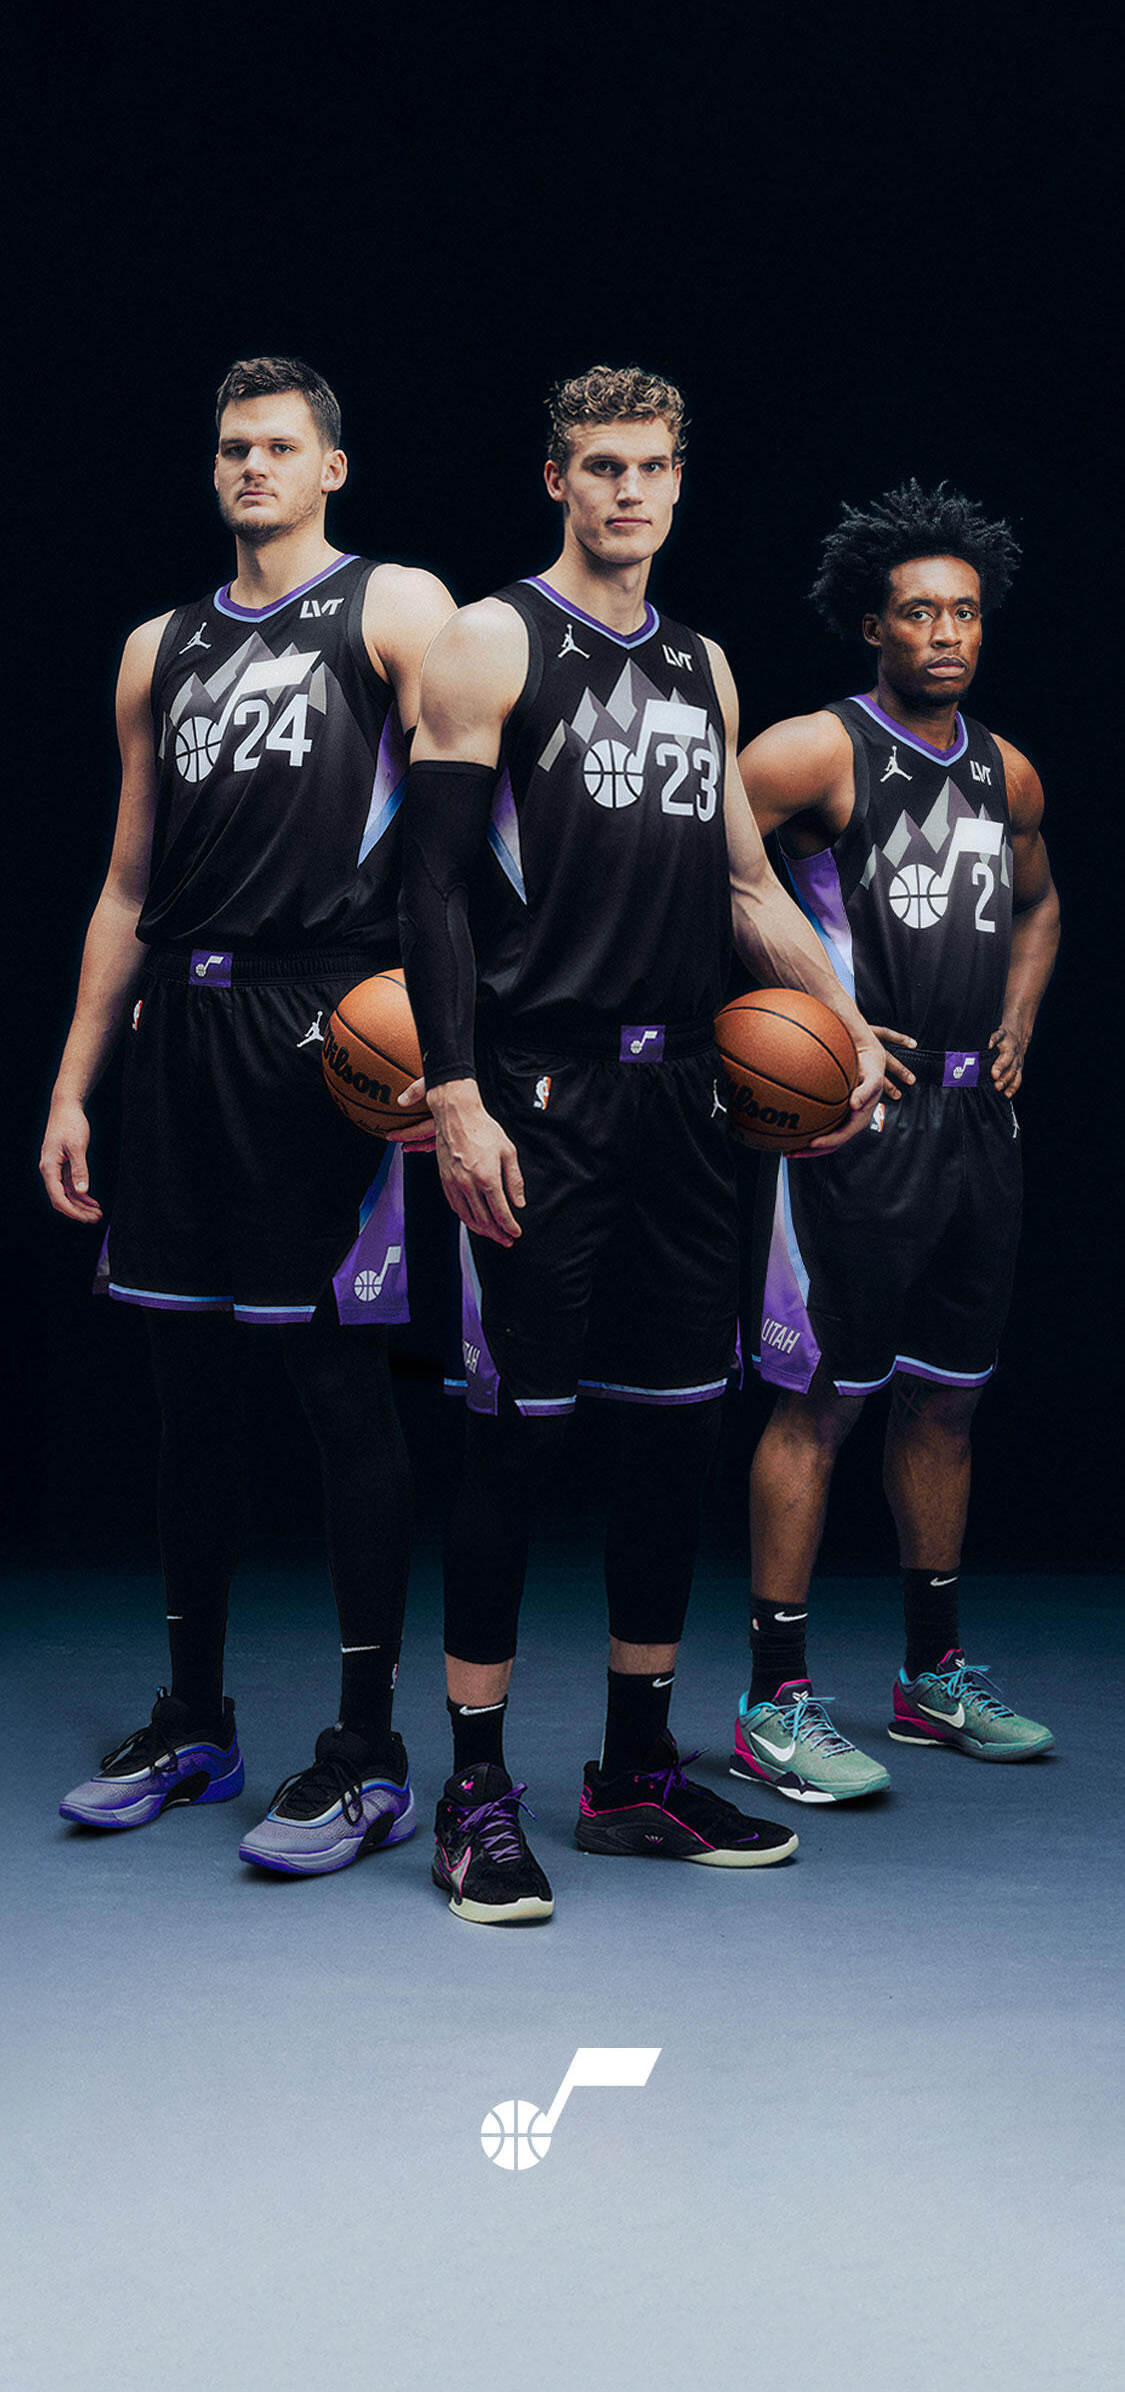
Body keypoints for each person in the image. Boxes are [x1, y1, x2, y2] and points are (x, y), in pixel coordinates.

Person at [399, 364, 883, 1921]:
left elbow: (744, 886)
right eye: (600, 466)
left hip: (686, 1099)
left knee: (673, 1430)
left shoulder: (700, 664)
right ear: (556, 478)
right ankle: (474, 1791)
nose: (628, 491)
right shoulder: (492, 639)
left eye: (652, 467)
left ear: (679, 481)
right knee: (513, 1437)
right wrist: (457, 1094)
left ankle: (629, 1775)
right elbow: (428, 887)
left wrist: (842, 1021)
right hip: (540, 1093)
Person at [41, 356, 455, 1874]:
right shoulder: (159, 648)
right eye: (232, 447)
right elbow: (126, 884)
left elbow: (474, 834)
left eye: (280, 445)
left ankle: (367, 1749)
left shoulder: (395, 606)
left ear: (331, 465)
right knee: (188, 1394)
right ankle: (195, 1720)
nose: (251, 467)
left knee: (341, 1390)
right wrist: (72, 1086)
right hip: (182, 1033)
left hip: (332, 1034)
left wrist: (450, 1053)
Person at [729, 482, 1059, 1806]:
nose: (945, 634)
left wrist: (1019, 1016)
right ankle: (774, 1696)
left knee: (947, 1396)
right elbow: (707, 868)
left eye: (963, 613)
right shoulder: (814, 751)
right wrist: (811, 1009)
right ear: (872, 624)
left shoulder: (1006, 770)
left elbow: (1039, 904)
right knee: (821, 1401)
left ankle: (932, 1676)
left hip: (977, 1122)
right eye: (918, 613)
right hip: (851, 1121)